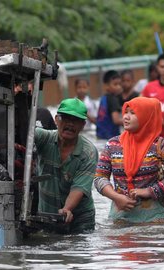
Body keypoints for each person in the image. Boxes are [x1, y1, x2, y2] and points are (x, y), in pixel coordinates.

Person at [94, 97, 164, 224]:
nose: (126, 117)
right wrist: (116, 197)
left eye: (133, 113)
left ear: (147, 116)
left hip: (153, 218)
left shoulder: (162, 146)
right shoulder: (112, 144)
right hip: (119, 215)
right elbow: (99, 178)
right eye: (126, 112)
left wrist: (149, 191)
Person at [34, 98, 98, 233]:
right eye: (66, 118)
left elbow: (79, 188)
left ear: (83, 125)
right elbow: (25, 134)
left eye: (75, 121)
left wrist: (67, 209)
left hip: (80, 219)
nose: (70, 124)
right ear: (56, 120)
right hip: (47, 214)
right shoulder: (44, 138)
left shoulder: (88, 152)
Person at [96, 70, 123, 139]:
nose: (119, 87)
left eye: (120, 84)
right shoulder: (113, 99)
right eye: (115, 84)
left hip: (100, 136)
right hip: (111, 137)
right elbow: (116, 120)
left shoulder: (103, 98)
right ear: (106, 86)